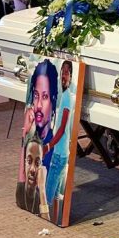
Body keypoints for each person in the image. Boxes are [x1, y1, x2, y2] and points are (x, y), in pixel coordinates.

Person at [43, 60, 76, 224]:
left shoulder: (67, 97)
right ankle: (56, 221)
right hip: (61, 152)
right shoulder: (63, 95)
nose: (64, 75)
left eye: (67, 73)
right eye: (62, 72)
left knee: (47, 196)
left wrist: (48, 146)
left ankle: (48, 220)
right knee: (56, 195)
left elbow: (62, 128)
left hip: (59, 154)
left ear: (71, 76)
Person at [22, 59, 59, 172]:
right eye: (36, 96)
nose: (38, 105)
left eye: (45, 97)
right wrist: (25, 132)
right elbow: (22, 177)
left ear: (53, 101)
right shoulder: (31, 140)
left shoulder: (54, 151)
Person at [16, 134, 48, 218]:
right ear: (24, 162)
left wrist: (42, 189)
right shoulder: (19, 190)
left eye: (37, 163)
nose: (33, 169)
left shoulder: (40, 198)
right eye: (29, 161)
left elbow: (46, 223)